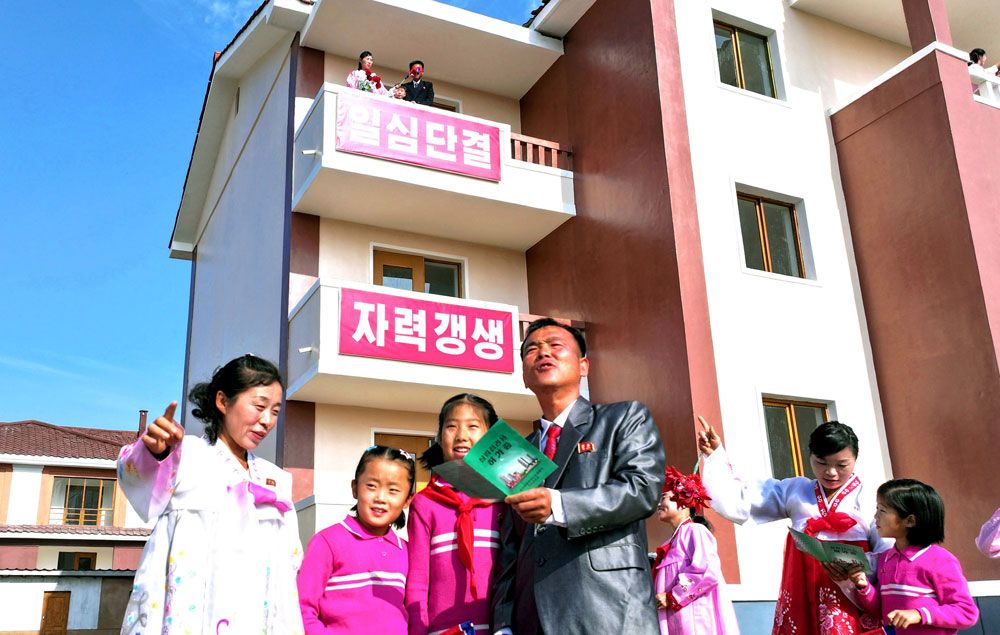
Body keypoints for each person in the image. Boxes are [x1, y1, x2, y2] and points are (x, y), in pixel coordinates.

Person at [492, 318, 667, 634]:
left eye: (555, 345)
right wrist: (504, 623)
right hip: (532, 619)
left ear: (584, 365)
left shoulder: (624, 417)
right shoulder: (516, 453)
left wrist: (559, 506)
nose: (543, 352)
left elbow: (641, 490)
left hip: (610, 612)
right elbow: (512, 545)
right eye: (532, 349)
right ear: (523, 375)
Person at [117, 355, 304, 634]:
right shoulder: (187, 455)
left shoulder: (275, 478)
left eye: (275, 411)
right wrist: (155, 452)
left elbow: (289, 563)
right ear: (222, 401)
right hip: (194, 615)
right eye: (259, 406)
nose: (267, 421)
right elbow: (137, 475)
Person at [698, 417, 889, 634]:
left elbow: (888, 554)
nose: (831, 472)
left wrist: (857, 569)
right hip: (801, 594)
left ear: (855, 459)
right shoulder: (796, 491)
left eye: (841, 465)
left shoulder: (872, 498)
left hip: (849, 598)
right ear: (810, 457)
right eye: (821, 463)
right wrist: (715, 456)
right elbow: (742, 500)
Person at [405, 394, 503, 635]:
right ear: (439, 437)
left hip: (501, 628)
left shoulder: (507, 499)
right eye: (451, 426)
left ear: (491, 436)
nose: (461, 436)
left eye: (473, 426)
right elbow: (417, 581)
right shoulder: (424, 503)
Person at [297, 445, 416, 634]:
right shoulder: (327, 542)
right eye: (371, 486)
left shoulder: (408, 552)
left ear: (408, 500)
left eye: (393, 490)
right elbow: (301, 608)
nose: (380, 497)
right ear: (354, 488)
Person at [846, 479, 979, 633]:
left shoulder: (940, 560)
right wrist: (863, 586)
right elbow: (880, 611)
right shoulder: (885, 559)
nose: (875, 516)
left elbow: (967, 612)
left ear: (909, 521)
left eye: (882, 510)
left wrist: (919, 614)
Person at [653, 466, 740, 635]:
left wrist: (673, 596)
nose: (659, 504)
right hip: (675, 619)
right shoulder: (671, 541)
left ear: (683, 503)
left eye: (665, 498)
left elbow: (707, 570)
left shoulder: (695, 531)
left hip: (694, 619)